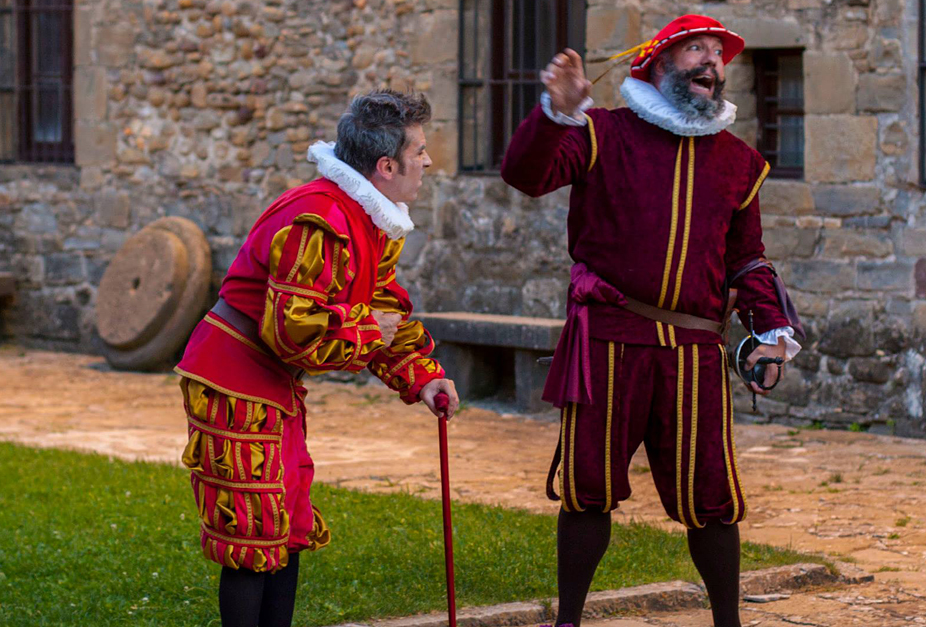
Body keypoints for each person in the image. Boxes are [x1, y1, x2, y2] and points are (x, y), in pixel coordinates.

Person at [500, 15, 805, 627]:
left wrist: (769, 333)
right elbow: (525, 175)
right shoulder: (601, 133)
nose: (710, 62)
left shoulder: (740, 163)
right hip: (609, 341)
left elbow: (747, 259)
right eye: (696, 49)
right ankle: (568, 622)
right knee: (589, 493)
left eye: (718, 54)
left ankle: (728, 623)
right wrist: (555, 113)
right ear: (658, 63)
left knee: (713, 500)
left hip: (693, 352)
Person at [175, 90, 460, 627]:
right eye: (419, 150)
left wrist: (423, 377)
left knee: (287, 525)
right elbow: (292, 332)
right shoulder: (320, 218)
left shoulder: (370, 218)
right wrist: (366, 329)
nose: (427, 161)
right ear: (385, 165)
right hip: (232, 377)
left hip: (272, 382)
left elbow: (381, 308)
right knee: (253, 533)